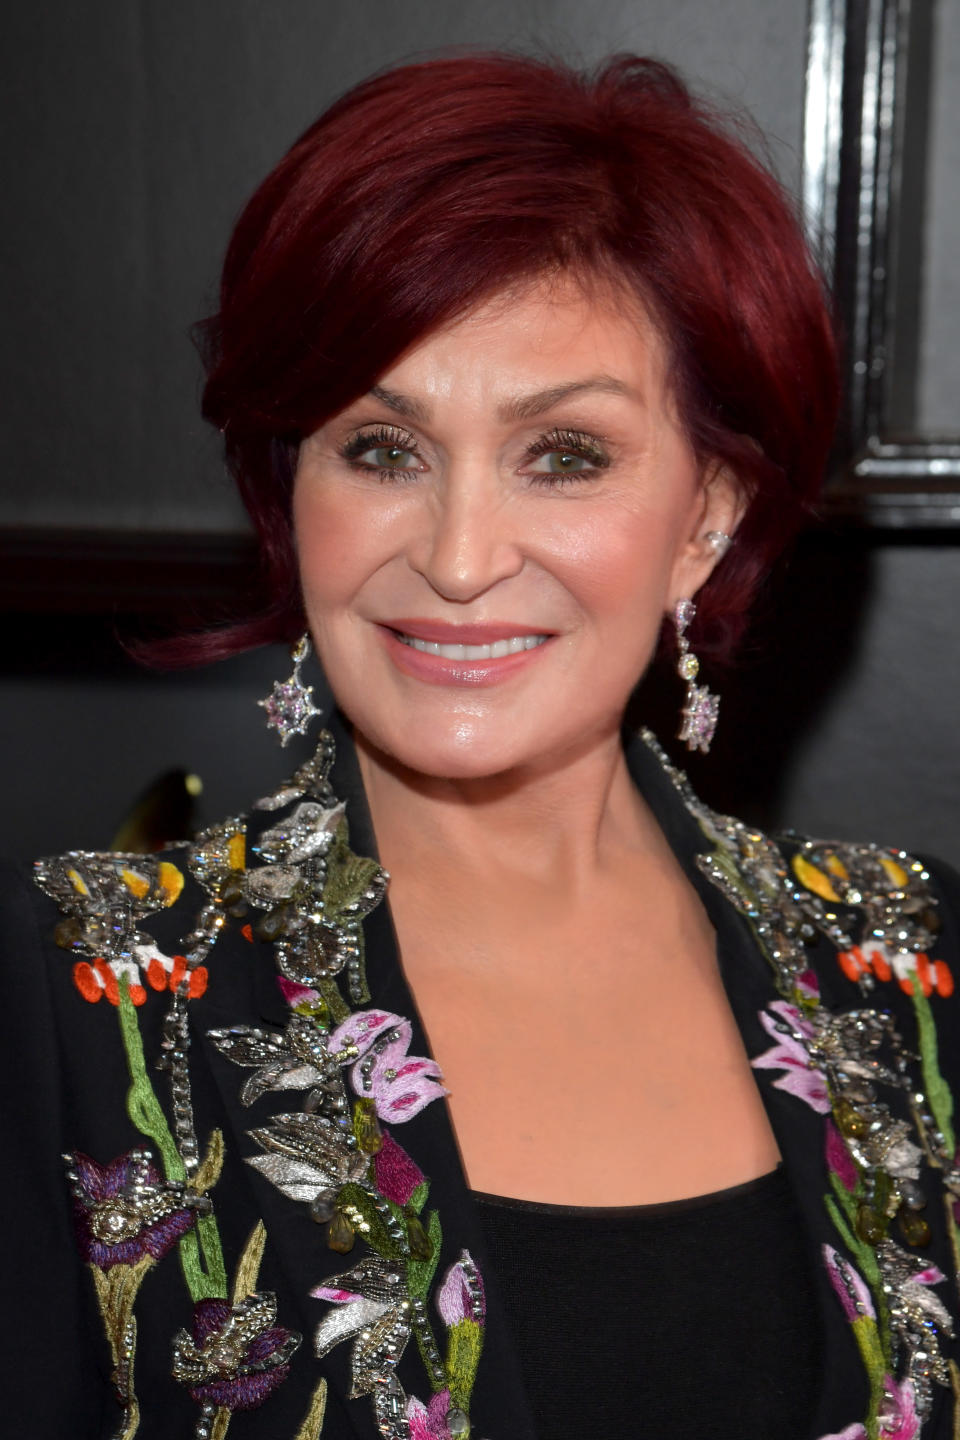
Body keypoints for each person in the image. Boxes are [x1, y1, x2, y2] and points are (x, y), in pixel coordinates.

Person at [3, 49, 960, 1440]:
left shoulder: (911, 967)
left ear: (708, 514)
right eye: (382, 449)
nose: (456, 560)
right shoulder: (88, 1001)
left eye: (563, 453)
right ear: (294, 485)